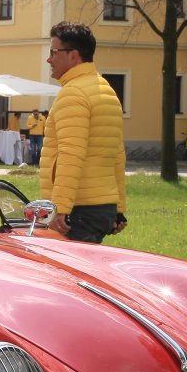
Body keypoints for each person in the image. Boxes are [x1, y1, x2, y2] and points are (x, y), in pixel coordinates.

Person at [41, 21, 128, 244]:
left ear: (73, 55)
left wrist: (59, 208)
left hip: (77, 210)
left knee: (64, 267)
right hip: (101, 207)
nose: (49, 59)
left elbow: (70, 154)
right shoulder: (106, 90)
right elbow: (117, 155)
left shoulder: (73, 93)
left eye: (53, 52)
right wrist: (118, 208)